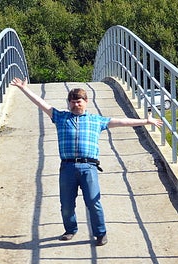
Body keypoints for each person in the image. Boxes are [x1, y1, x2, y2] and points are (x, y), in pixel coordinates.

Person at [10, 78, 162, 246]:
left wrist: (146, 121)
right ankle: (70, 229)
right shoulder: (60, 117)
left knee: (93, 202)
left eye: (79, 102)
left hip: (89, 167)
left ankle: (100, 233)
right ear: (68, 103)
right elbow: (41, 103)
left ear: (86, 102)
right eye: (73, 102)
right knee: (66, 204)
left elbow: (121, 122)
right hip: (67, 167)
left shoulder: (96, 120)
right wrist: (24, 89)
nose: (76, 105)